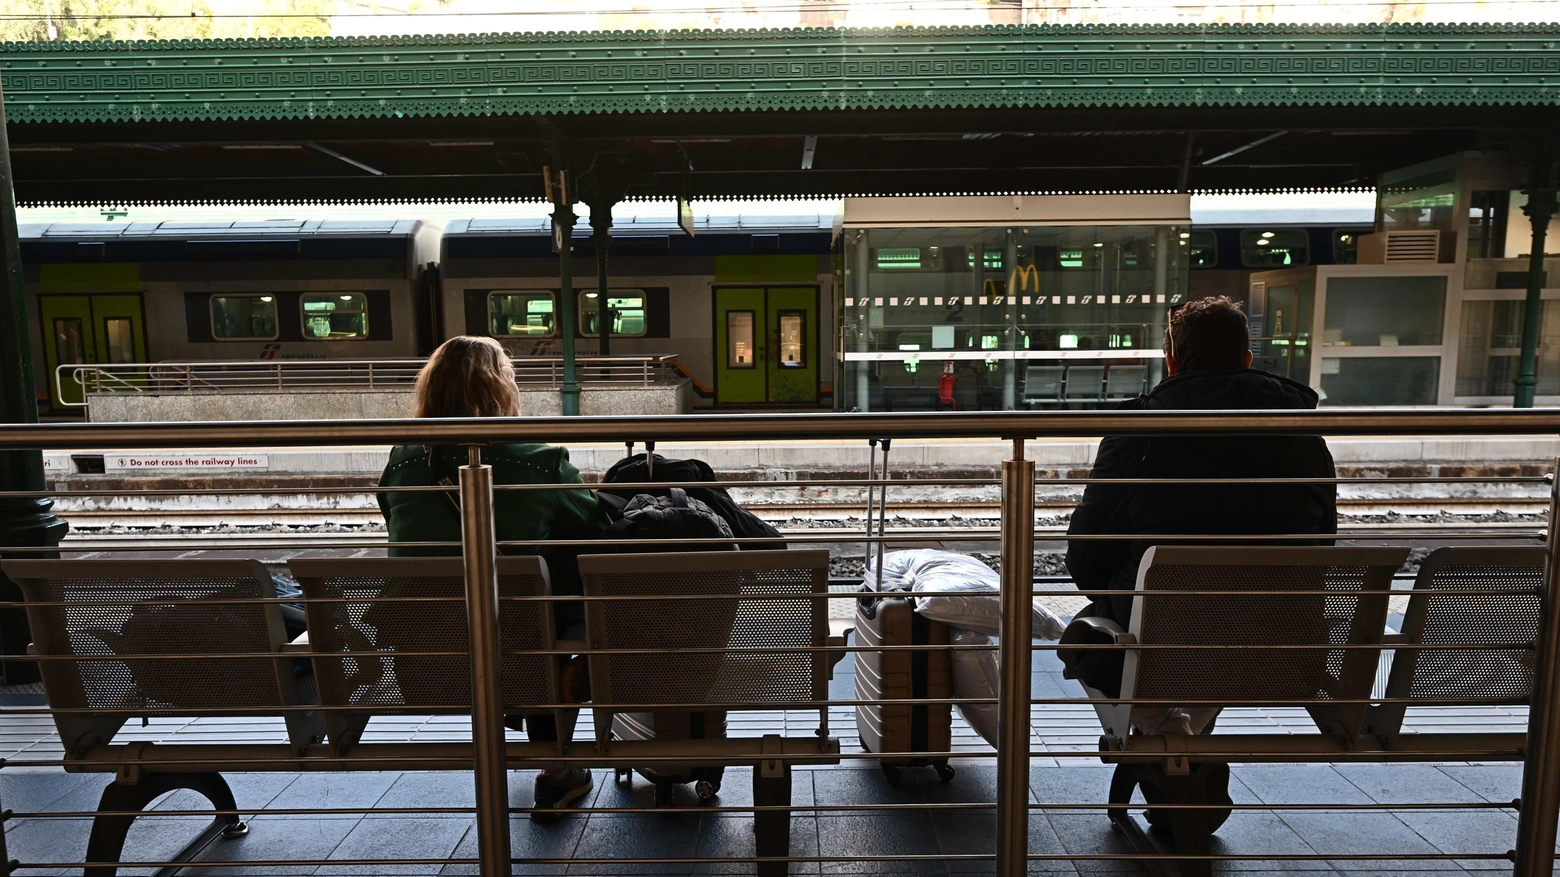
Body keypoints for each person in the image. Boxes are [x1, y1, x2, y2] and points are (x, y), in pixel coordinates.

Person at [1063, 296, 1337, 735]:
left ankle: (1168, 743)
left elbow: (1085, 559)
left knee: (1104, 627)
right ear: (1247, 359)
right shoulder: (1305, 436)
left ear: (1172, 363)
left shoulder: (1139, 433)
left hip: (1161, 650)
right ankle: (1187, 744)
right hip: (1278, 653)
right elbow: (1323, 546)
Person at [377, 335, 612, 819]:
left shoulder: (401, 460)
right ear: (501, 388)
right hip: (521, 654)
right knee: (556, 593)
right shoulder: (538, 458)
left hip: (423, 660)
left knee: (520, 600)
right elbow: (596, 527)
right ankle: (554, 770)